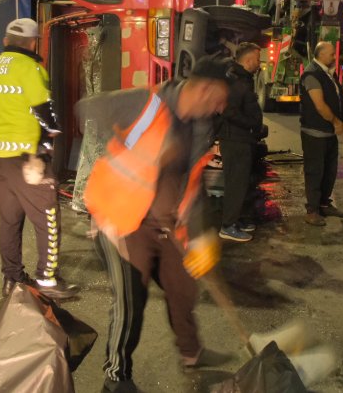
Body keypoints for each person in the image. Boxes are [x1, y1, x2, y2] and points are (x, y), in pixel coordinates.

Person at [80, 57, 233, 393]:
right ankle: (116, 376)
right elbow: (87, 108)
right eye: (219, 99)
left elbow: (193, 183)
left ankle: (192, 354)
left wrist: (202, 235)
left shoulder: (200, 126)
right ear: (204, 88)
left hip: (165, 224)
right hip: (121, 220)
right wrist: (131, 148)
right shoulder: (147, 104)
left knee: (183, 287)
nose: (221, 108)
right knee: (131, 299)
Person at [0, 18, 79, 299]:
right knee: (47, 216)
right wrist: (48, 140)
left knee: (9, 221)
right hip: (28, 155)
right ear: (34, 43)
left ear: (5, 41)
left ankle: (11, 279)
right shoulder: (31, 68)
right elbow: (43, 112)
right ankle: (47, 280)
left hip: (1, 155)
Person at [216, 42, 265, 243]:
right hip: (235, 139)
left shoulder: (242, 78)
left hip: (242, 139)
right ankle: (228, 226)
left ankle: (238, 220)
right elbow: (228, 111)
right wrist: (251, 125)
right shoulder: (234, 81)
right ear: (248, 60)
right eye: (258, 58)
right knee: (235, 184)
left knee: (243, 182)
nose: (259, 62)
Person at [299, 41, 343, 226]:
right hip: (315, 133)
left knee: (329, 171)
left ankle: (324, 204)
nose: (334, 57)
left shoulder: (328, 74)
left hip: (328, 133)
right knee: (314, 172)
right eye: (331, 54)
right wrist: (336, 122)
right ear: (320, 55)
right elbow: (319, 105)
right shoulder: (312, 74)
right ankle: (312, 210)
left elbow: (335, 98)